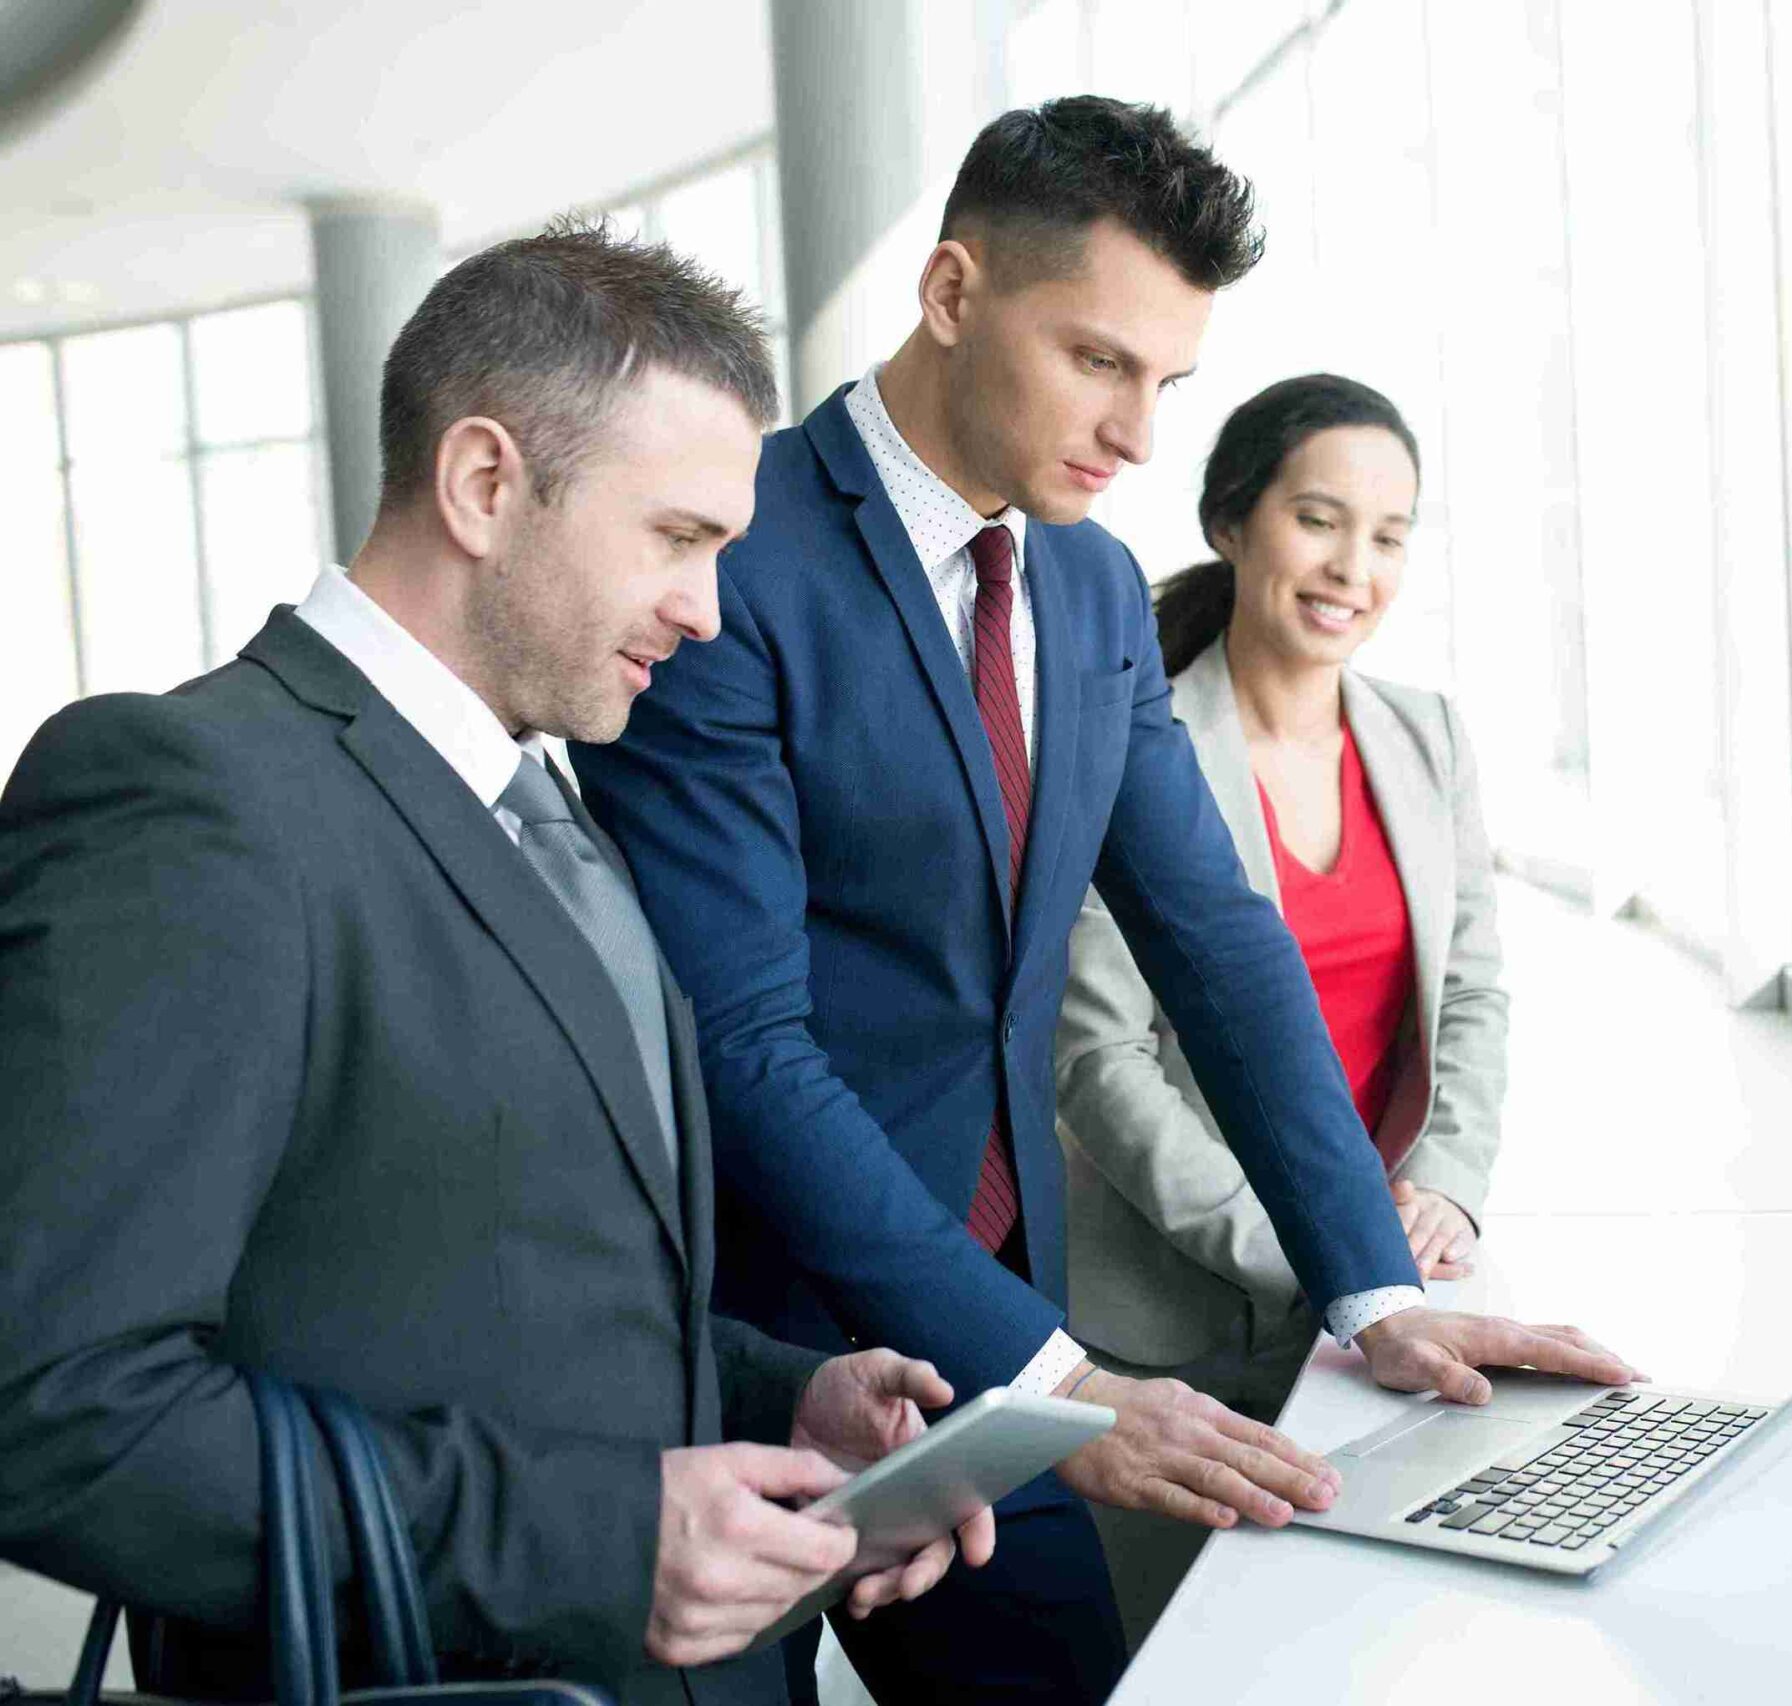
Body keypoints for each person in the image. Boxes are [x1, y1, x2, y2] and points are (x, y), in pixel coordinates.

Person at [570, 98, 1635, 1706]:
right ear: (950, 294)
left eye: (1168, 382)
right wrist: (1064, 1375)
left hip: (1013, 1333)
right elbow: (744, 1041)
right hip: (763, 1344)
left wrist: (1379, 1285)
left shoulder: (1083, 584)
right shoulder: (737, 557)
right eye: (1097, 362)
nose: (1139, 433)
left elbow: (1216, 941)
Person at [0, 223, 988, 1706]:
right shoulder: (187, 795)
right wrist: (590, 1539)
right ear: (482, 484)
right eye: (677, 539)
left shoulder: (548, 802)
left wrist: (787, 1398)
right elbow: (56, 1409)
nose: (709, 610)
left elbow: (507, 1285)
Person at [1051, 373, 1506, 1643]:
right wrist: (1317, 1247)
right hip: (1173, 1312)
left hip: (1385, 1291)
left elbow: (1471, 990)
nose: (1352, 565)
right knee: (1171, 1660)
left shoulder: (1428, 739)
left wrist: (1446, 1188)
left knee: (1363, 1648)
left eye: (1390, 533)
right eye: (1318, 518)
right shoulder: (1141, 747)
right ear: (1229, 521)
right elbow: (1098, 1058)